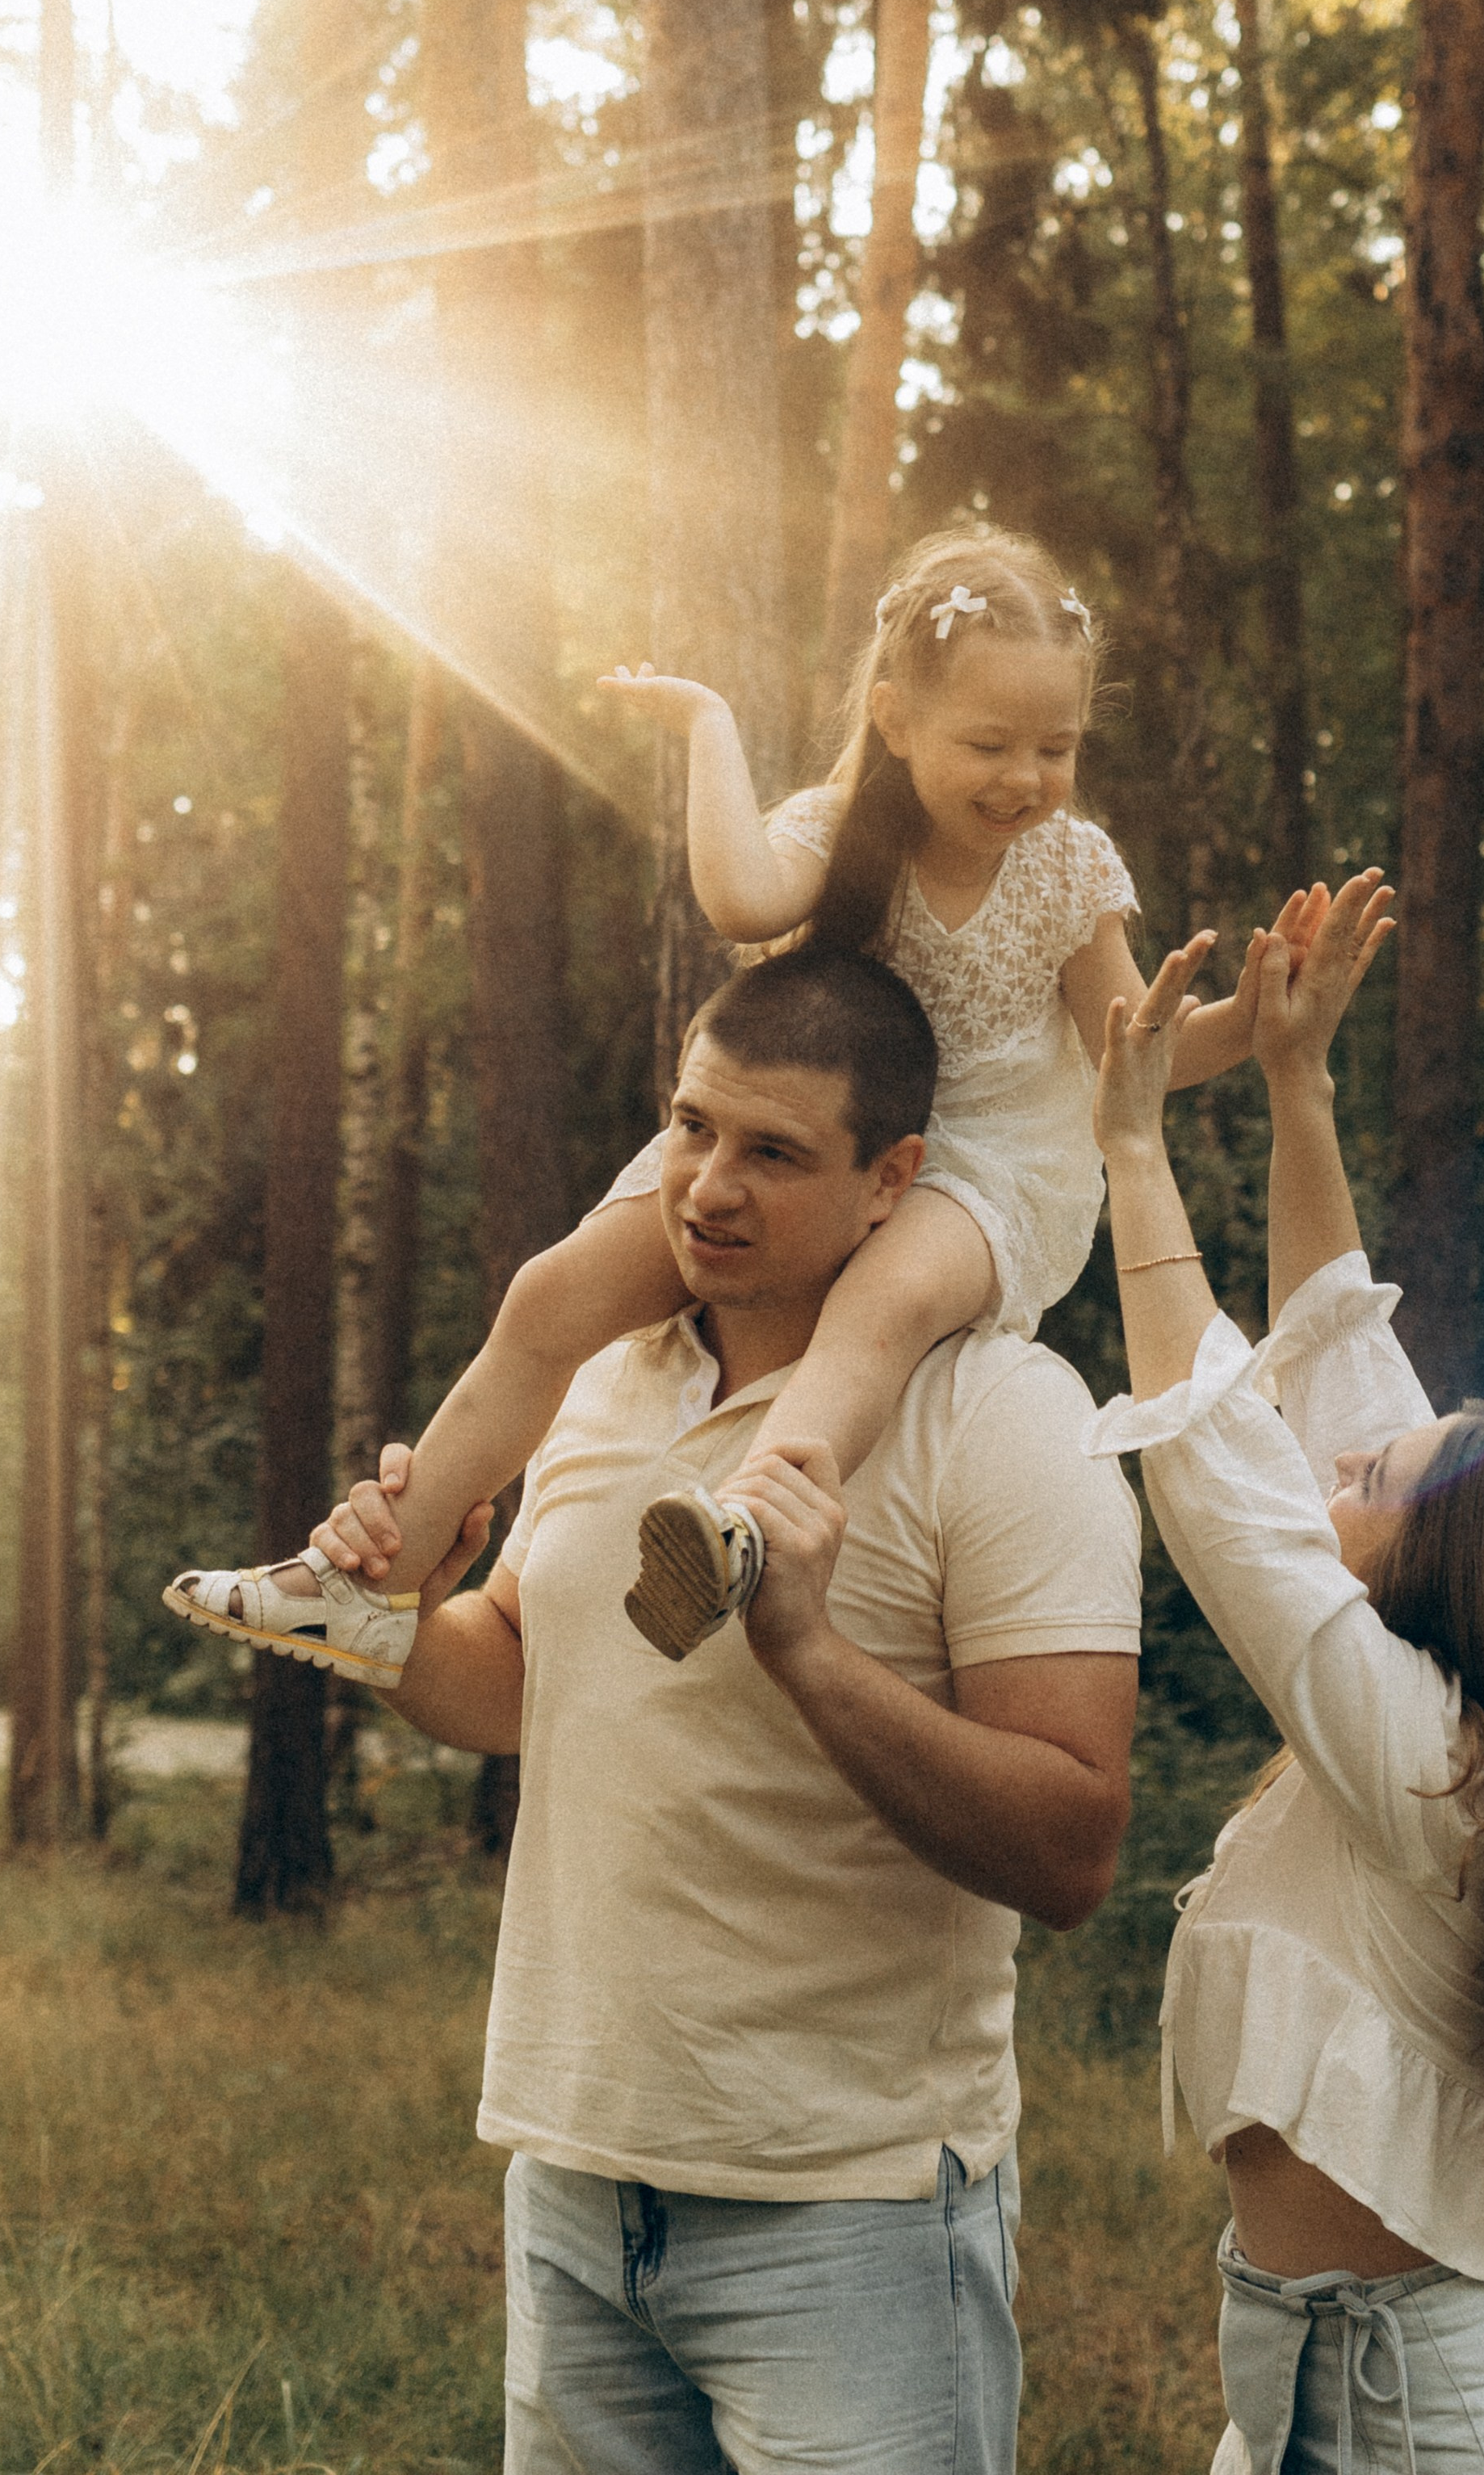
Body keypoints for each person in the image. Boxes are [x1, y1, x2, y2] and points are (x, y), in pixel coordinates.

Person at [163, 524, 1271, 1680]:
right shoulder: (841, 829)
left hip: (989, 1164)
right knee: (552, 1294)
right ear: (894, 721)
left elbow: (1134, 1054)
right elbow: (742, 899)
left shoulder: (1072, 868)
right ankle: (361, 1582)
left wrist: (1258, 1019)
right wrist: (708, 726)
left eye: (1058, 747)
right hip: (799, 1137)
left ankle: (746, 1530)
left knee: (879, 1310)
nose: (1027, 779)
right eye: (990, 743)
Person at [316, 938, 1142, 2473]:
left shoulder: (1008, 1417)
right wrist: (385, 1615)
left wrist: (811, 1653)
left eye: (774, 1152)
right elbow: (516, 1683)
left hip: (855, 2216)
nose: (707, 1186)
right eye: (692, 1128)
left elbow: (1075, 1845)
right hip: (574, 2180)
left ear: (893, 1179)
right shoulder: (605, 1376)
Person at [1085, 876, 1484, 2475]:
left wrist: (1136, 1152)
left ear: (1450, 1580)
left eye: (1373, 1482)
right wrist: (1299, 1090)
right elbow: (1329, 1349)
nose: (1340, 1469)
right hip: (1315, 2395)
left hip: (1446, 2423)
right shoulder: (1439, 1711)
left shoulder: (1434, 1775)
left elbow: (1221, 1484)